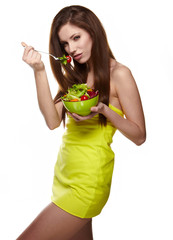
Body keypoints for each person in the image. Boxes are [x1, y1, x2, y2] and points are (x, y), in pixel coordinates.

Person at [18, 5, 146, 240]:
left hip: (87, 183)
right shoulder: (75, 76)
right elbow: (52, 121)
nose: (72, 48)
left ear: (93, 32)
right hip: (64, 178)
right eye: (65, 44)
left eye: (76, 37)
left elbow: (139, 136)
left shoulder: (119, 74)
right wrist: (38, 70)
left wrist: (105, 110)